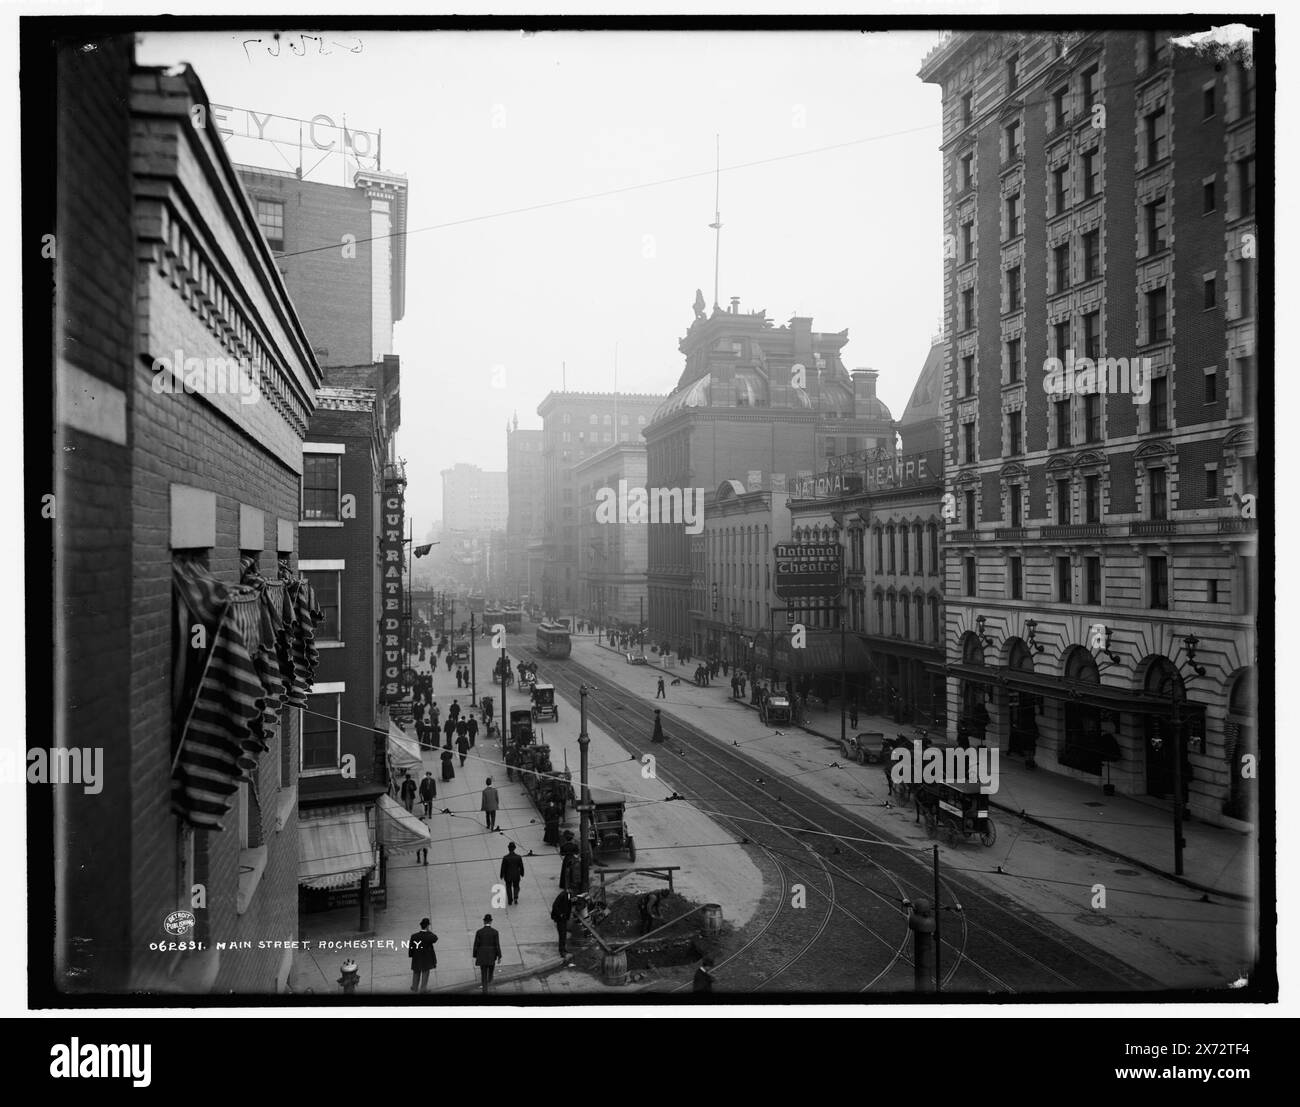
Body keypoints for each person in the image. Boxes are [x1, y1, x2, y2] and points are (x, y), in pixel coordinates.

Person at [472, 914, 502, 992]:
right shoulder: (495, 932)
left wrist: (475, 955)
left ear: (484, 921)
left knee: (483, 973)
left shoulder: (479, 932)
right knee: (491, 971)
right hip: (492, 956)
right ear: (491, 921)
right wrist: (499, 956)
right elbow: (497, 945)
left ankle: (485, 989)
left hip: (482, 956)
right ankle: (490, 979)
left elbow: (476, 944)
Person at [409, 918, 438, 993]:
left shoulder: (414, 936)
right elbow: (435, 938)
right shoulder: (429, 936)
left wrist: (411, 955)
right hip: (426, 958)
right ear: (427, 926)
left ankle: (414, 987)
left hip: (416, 958)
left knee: (416, 972)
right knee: (425, 972)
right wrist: (428, 931)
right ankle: (423, 988)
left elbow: (411, 947)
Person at [550, 888, 573, 958]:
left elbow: (568, 904)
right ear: (569, 889)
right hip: (560, 919)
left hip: (564, 918)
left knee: (564, 934)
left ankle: (563, 949)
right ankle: (561, 951)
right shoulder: (562, 895)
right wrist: (560, 914)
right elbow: (554, 905)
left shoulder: (568, 894)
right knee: (562, 934)